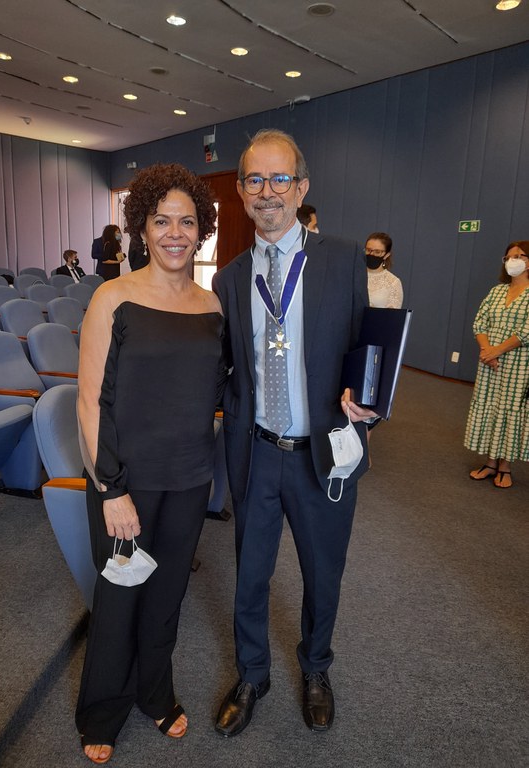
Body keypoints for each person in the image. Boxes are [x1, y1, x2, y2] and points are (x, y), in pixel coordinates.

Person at [212, 128, 377, 738]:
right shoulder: (229, 279)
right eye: (255, 179)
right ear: (241, 190)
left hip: (322, 455)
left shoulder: (341, 259)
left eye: (280, 178)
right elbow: (226, 369)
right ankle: (252, 673)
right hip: (256, 453)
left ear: (301, 187)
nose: (268, 191)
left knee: (321, 572)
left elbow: (369, 353)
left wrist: (370, 405)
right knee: (250, 573)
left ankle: (316, 668)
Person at [76, 162, 225, 764]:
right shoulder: (113, 296)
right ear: (141, 226)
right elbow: (90, 401)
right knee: (118, 598)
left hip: (190, 477)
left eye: (186, 222)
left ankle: (155, 694)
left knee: (165, 598)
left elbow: (220, 392)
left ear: (201, 230)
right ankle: (101, 709)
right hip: (124, 482)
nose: (174, 233)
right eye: (161, 220)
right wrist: (111, 488)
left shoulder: (213, 306)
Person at [465, 240, 529, 489]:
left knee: (509, 410)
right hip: (489, 362)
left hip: (518, 364)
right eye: (510, 256)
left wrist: (497, 351)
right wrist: (487, 351)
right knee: (490, 407)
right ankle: (491, 462)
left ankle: (506, 466)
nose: (514, 260)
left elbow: (526, 331)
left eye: (521, 255)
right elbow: (480, 323)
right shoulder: (496, 291)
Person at [365, 232, 403, 309]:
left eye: (377, 252)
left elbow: (391, 317)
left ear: (386, 255)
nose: (371, 254)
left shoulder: (393, 282)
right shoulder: (353, 275)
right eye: (368, 250)